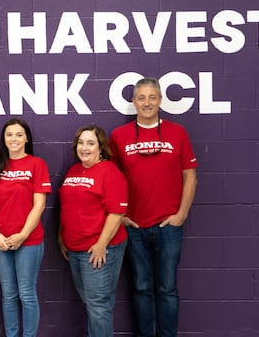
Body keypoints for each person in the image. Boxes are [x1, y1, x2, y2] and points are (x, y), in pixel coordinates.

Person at [109, 77, 198, 337]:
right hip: (135, 226)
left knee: (167, 288)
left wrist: (181, 215)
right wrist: (121, 216)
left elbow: (190, 176)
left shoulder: (177, 132)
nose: (146, 103)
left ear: (160, 100)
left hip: (168, 226)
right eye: (141, 98)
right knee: (141, 287)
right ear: (134, 102)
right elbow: (111, 179)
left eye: (151, 97)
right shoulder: (119, 136)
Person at [58, 125, 129, 337]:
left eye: (90, 143)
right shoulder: (73, 170)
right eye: (81, 142)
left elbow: (116, 213)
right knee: (92, 302)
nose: (84, 147)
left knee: (98, 306)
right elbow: (67, 206)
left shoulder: (110, 172)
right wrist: (61, 236)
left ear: (101, 148)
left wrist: (101, 245)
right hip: (75, 247)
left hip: (99, 248)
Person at [0, 118, 51, 337]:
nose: (14, 139)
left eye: (19, 134)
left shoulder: (36, 164)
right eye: (9, 135)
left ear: (26, 139)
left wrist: (22, 235)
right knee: (8, 294)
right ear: (4, 139)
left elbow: (39, 204)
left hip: (28, 241)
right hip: (0, 241)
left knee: (26, 293)